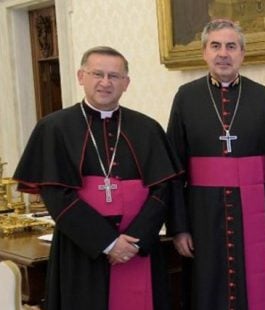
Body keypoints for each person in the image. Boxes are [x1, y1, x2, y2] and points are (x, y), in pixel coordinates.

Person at [13, 46, 182, 310]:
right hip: (83, 249)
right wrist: (108, 243)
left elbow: (164, 189)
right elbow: (57, 195)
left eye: (114, 76)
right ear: (81, 76)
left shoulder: (147, 128)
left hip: (138, 248)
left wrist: (134, 240)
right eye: (97, 74)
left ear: (126, 83)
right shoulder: (54, 128)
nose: (105, 83)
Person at [166, 19, 265, 310]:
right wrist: (179, 227)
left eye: (231, 46)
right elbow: (173, 169)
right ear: (204, 52)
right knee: (207, 287)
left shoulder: (260, 96)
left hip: (256, 213)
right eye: (216, 46)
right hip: (203, 217)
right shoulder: (186, 97)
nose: (223, 53)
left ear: (242, 54)